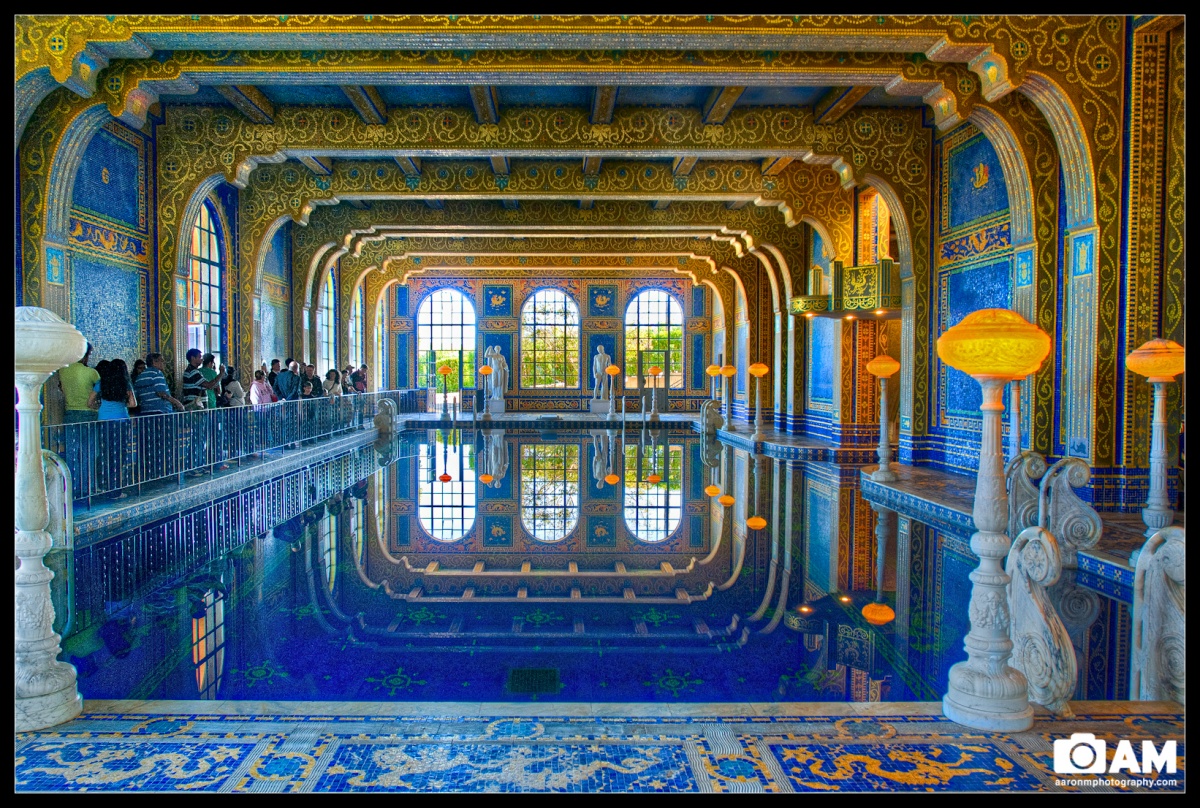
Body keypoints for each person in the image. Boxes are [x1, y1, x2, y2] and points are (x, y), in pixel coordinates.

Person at [88, 358, 137, 496]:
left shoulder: (101, 383)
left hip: (104, 421)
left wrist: (101, 407)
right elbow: (133, 403)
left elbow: (89, 402)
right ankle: (116, 489)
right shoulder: (125, 383)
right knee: (119, 455)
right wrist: (121, 405)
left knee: (106, 453)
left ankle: (105, 485)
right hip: (121, 421)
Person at [56, 341, 100, 423]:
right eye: (89, 355)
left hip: (70, 413)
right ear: (84, 355)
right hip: (88, 413)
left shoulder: (62, 370)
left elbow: (62, 388)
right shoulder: (91, 372)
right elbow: (102, 388)